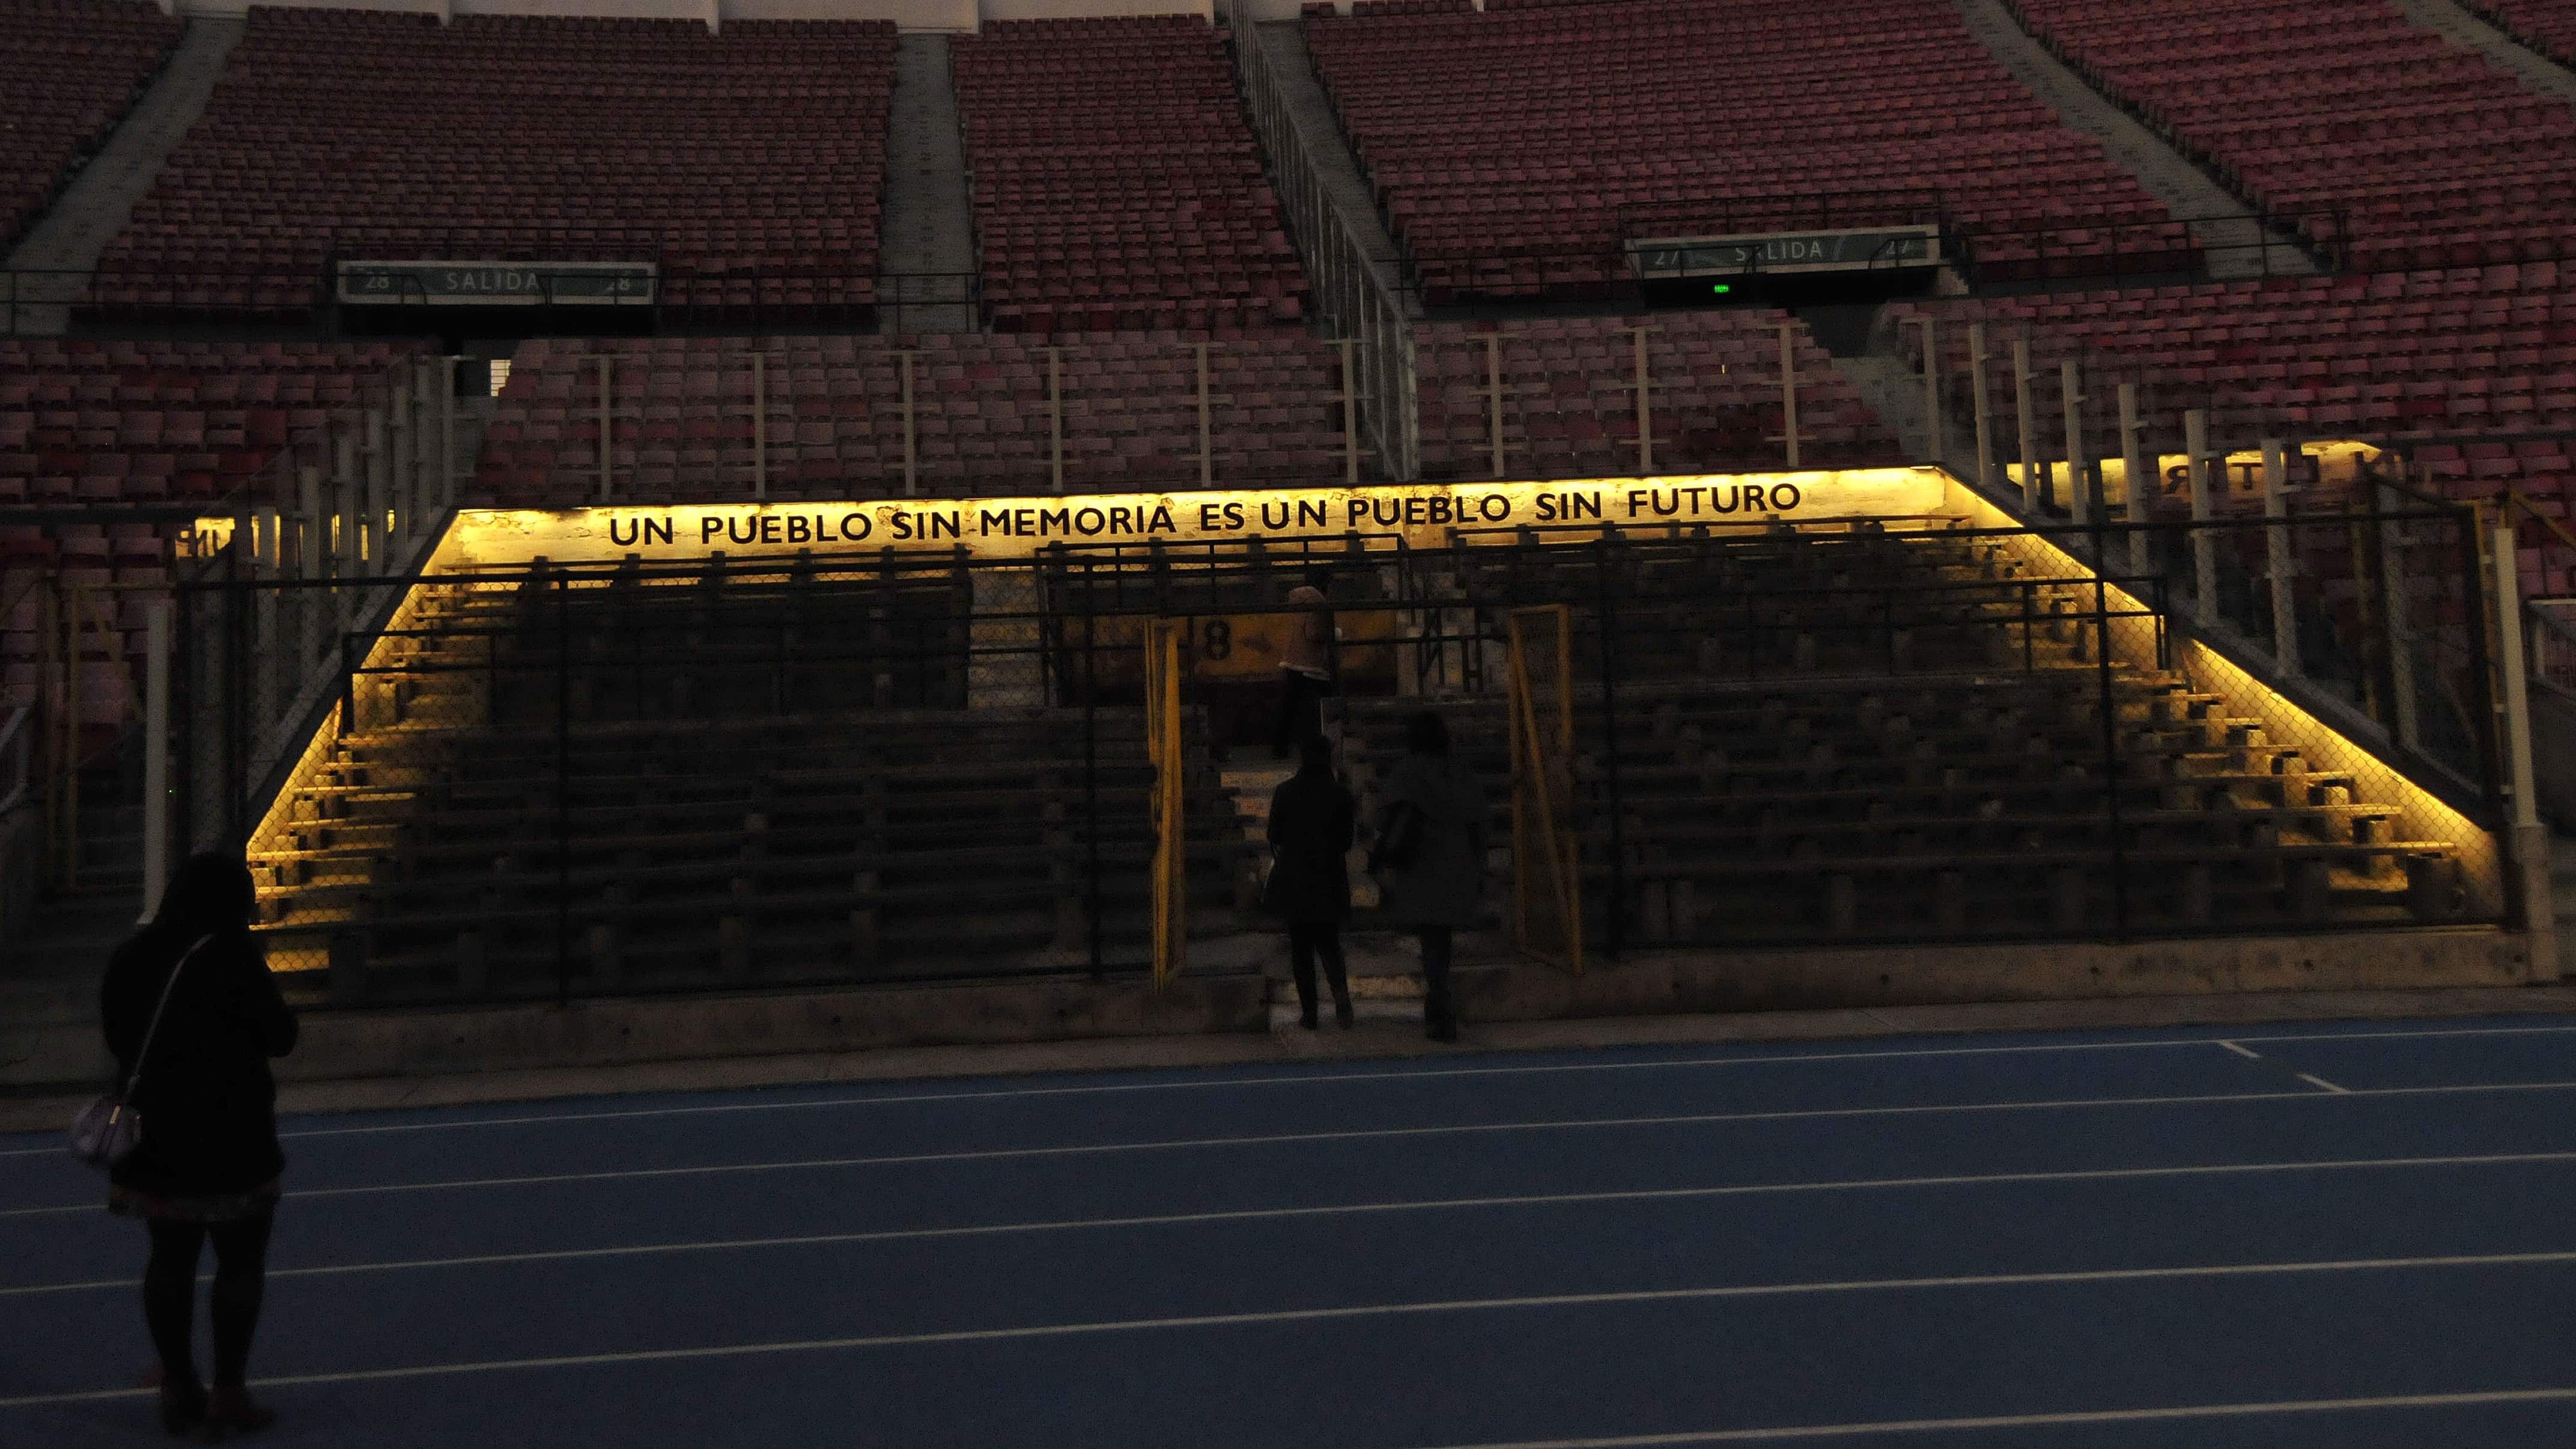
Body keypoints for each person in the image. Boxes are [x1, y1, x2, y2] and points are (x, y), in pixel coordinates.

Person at [100, 851, 299, 1438]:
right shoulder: (234, 958)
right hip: (234, 1133)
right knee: (240, 1262)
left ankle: (180, 1383)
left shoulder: (132, 955)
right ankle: (229, 1391)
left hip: (157, 1134)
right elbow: (281, 1037)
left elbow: (117, 1038)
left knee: (169, 1257)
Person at [1369, 710, 1485, 1042]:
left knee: (1432, 943)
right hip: (1457, 865)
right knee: (1441, 942)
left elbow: (1386, 819)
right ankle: (1440, 1003)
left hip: (1421, 865)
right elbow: (1479, 821)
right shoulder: (1460, 773)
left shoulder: (1408, 773)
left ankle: (1439, 1007)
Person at [1265, 734, 1357, 1030]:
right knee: (1330, 944)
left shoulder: (1286, 792)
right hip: (1329, 876)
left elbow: (1274, 835)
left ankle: (1310, 1012)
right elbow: (1346, 841)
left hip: (1296, 878)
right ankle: (1342, 1000)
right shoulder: (1341, 795)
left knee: (1301, 949)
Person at [1270, 579, 1334, 759]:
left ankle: (1279, 748)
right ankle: (1324, 744)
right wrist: (1330, 633)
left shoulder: (1297, 599)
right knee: (1324, 704)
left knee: (1288, 706)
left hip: (1292, 659)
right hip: (1311, 662)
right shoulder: (1319, 602)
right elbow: (1314, 633)